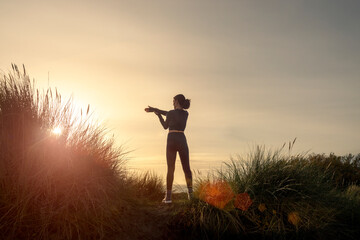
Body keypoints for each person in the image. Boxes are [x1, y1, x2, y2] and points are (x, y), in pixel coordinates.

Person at [145, 94, 193, 203]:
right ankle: (191, 196)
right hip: (182, 139)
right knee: (187, 168)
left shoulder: (171, 113)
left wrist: (158, 115)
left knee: (170, 169)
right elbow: (169, 113)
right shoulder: (186, 113)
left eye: (173, 101)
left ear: (176, 101)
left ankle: (168, 198)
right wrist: (155, 110)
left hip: (171, 139)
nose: (172, 103)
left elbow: (165, 126)